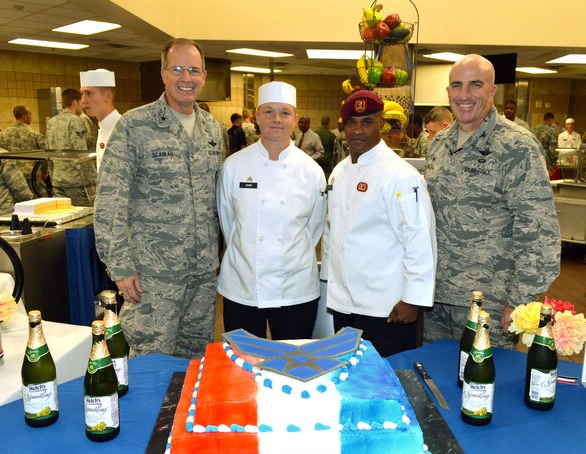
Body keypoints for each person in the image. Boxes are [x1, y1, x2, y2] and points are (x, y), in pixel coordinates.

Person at [94, 38, 223, 359]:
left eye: (194, 70)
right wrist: (120, 268)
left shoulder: (212, 129)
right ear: (163, 73)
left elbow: (217, 200)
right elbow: (110, 199)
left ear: (204, 76)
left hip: (202, 274)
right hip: (153, 276)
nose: (186, 78)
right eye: (177, 69)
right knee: (149, 360)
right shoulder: (136, 125)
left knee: (194, 360)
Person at [425, 54, 560, 349]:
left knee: (482, 385)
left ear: (492, 90)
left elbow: (538, 229)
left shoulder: (516, 146)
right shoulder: (438, 144)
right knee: (432, 381)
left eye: (475, 85)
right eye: (457, 85)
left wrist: (520, 301)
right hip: (434, 299)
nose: (464, 95)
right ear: (448, 91)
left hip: (490, 303)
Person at [325, 90, 436, 357]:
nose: (358, 130)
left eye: (367, 122)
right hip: (344, 304)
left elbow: (419, 238)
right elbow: (334, 234)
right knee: (349, 376)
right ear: (343, 127)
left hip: (386, 309)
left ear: (381, 124)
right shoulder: (339, 171)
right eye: (351, 122)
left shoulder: (400, 175)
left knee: (388, 382)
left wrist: (413, 299)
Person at [217, 81, 327, 339]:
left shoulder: (311, 171)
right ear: (256, 117)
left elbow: (315, 227)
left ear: (295, 118)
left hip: (295, 287)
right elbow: (228, 222)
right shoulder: (234, 166)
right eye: (268, 111)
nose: (276, 119)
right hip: (242, 283)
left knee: (293, 364)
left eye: (285, 112)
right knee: (242, 364)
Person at [46, 88, 97, 206]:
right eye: (81, 102)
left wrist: (53, 176)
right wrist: (94, 178)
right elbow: (81, 154)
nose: (83, 106)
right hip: (76, 182)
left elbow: (48, 152)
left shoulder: (51, 122)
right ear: (75, 102)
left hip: (58, 181)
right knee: (81, 219)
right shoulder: (75, 121)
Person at [80, 68, 121, 176]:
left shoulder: (123, 128)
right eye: (82, 94)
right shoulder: (102, 127)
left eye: (89, 93)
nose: (83, 100)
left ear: (108, 96)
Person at [0, 105, 47, 193]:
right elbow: (46, 154)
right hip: (32, 175)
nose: (31, 116)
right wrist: (45, 170)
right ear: (24, 116)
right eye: (30, 114)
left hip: (12, 175)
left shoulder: (2, 135)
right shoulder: (34, 134)